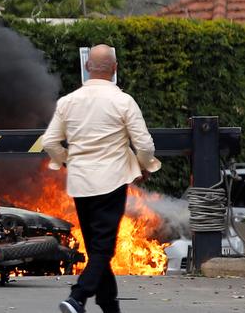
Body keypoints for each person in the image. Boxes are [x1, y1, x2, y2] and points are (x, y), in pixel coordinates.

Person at [42, 44, 161, 313]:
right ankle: (78, 297)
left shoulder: (67, 102)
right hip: (113, 180)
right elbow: (144, 144)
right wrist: (145, 166)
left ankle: (109, 306)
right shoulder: (123, 101)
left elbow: (50, 141)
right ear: (115, 69)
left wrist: (64, 160)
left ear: (87, 68)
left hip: (81, 183)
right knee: (103, 250)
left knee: (98, 248)